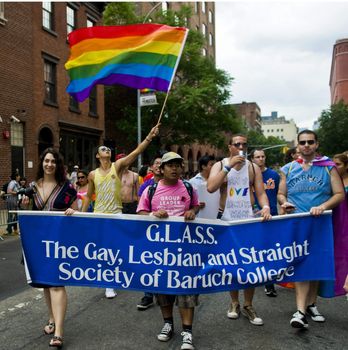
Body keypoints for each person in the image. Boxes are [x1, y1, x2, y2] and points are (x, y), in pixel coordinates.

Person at [82, 124, 160, 299]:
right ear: (97, 155)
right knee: (103, 250)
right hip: (99, 215)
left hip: (116, 214)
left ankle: (121, 276)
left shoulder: (116, 166)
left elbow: (136, 152)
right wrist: (82, 215)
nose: (107, 149)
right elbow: (88, 196)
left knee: (119, 247)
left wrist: (149, 136)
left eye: (108, 148)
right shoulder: (93, 175)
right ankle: (108, 283)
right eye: (103, 149)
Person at [278, 130, 345, 329]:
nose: (306, 145)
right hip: (297, 222)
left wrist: (323, 206)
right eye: (302, 142)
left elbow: (339, 194)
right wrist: (285, 202)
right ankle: (300, 311)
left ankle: (311, 304)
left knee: (315, 265)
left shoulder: (328, 167)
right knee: (300, 264)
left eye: (310, 142)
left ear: (316, 144)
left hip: (321, 223)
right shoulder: (288, 169)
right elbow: (281, 194)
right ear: (297, 145)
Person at [137, 152, 200, 350]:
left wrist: (192, 211)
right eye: (169, 165)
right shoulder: (151, 190)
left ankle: (187, 333)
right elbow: (140, 213)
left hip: (185, 251)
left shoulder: (189, 187)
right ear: (161, 169)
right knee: (163, 291)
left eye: (177, 165)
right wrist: (153, 214)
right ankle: (168, 324)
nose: (174, 168)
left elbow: (196, 206)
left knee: (186, 291)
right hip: (159, 252)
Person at [207, 134, 271, 326]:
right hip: (226, 219)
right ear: (230, 147)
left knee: (250, 263)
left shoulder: (252, 167)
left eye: (244, 144)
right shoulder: (220, 165)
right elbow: (211, 187)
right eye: (237, 144)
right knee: (231, 264)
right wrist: (228, 167)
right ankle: (234, 302)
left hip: (248, 219)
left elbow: (260, 192)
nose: (241, 147)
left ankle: (248, 304)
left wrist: (266, 207)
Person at [21, 148, 77, 348]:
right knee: (45, 283)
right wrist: (25, 205)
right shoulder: (33, 186)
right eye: (46, 161)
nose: (49, 164)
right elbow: (28, 214)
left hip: (59, 243)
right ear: (41, 163)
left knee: (56, 284)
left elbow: (77, 210)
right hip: (38, 242)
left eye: (53, 161)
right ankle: (52, 319)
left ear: (58, 164)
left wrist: (72, 211)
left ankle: (60, 333)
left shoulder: (67, 187)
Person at [250, 149, 280, 297]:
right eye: (257, 157)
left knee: (270, 250)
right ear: (252, 159)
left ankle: (270, 284)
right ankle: (255, 277)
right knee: (256, 250)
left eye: (262, 156)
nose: (260, 159)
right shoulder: (250, 175)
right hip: (253, 216)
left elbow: (279, 193)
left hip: (272, 215)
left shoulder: (274, 175)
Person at [136, 155, 162, 311]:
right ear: (152, 168)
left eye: (162, 163)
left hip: (169, 233)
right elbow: (141, 209)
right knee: (149, 262)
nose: (159, 165)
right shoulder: (145, 186)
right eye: (156, 163)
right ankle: (148, 295)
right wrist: (153, 215)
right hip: (149, 231)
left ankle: (165, 291)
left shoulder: (177, 185)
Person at [189, 155, 220, 219]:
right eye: (211, 165)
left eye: (215, 165)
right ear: (203, 166)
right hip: (198, 217)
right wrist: (195, 205)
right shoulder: (192, 182)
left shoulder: (218, 181)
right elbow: (188, 201)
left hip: (215, 217)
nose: (215, 167)